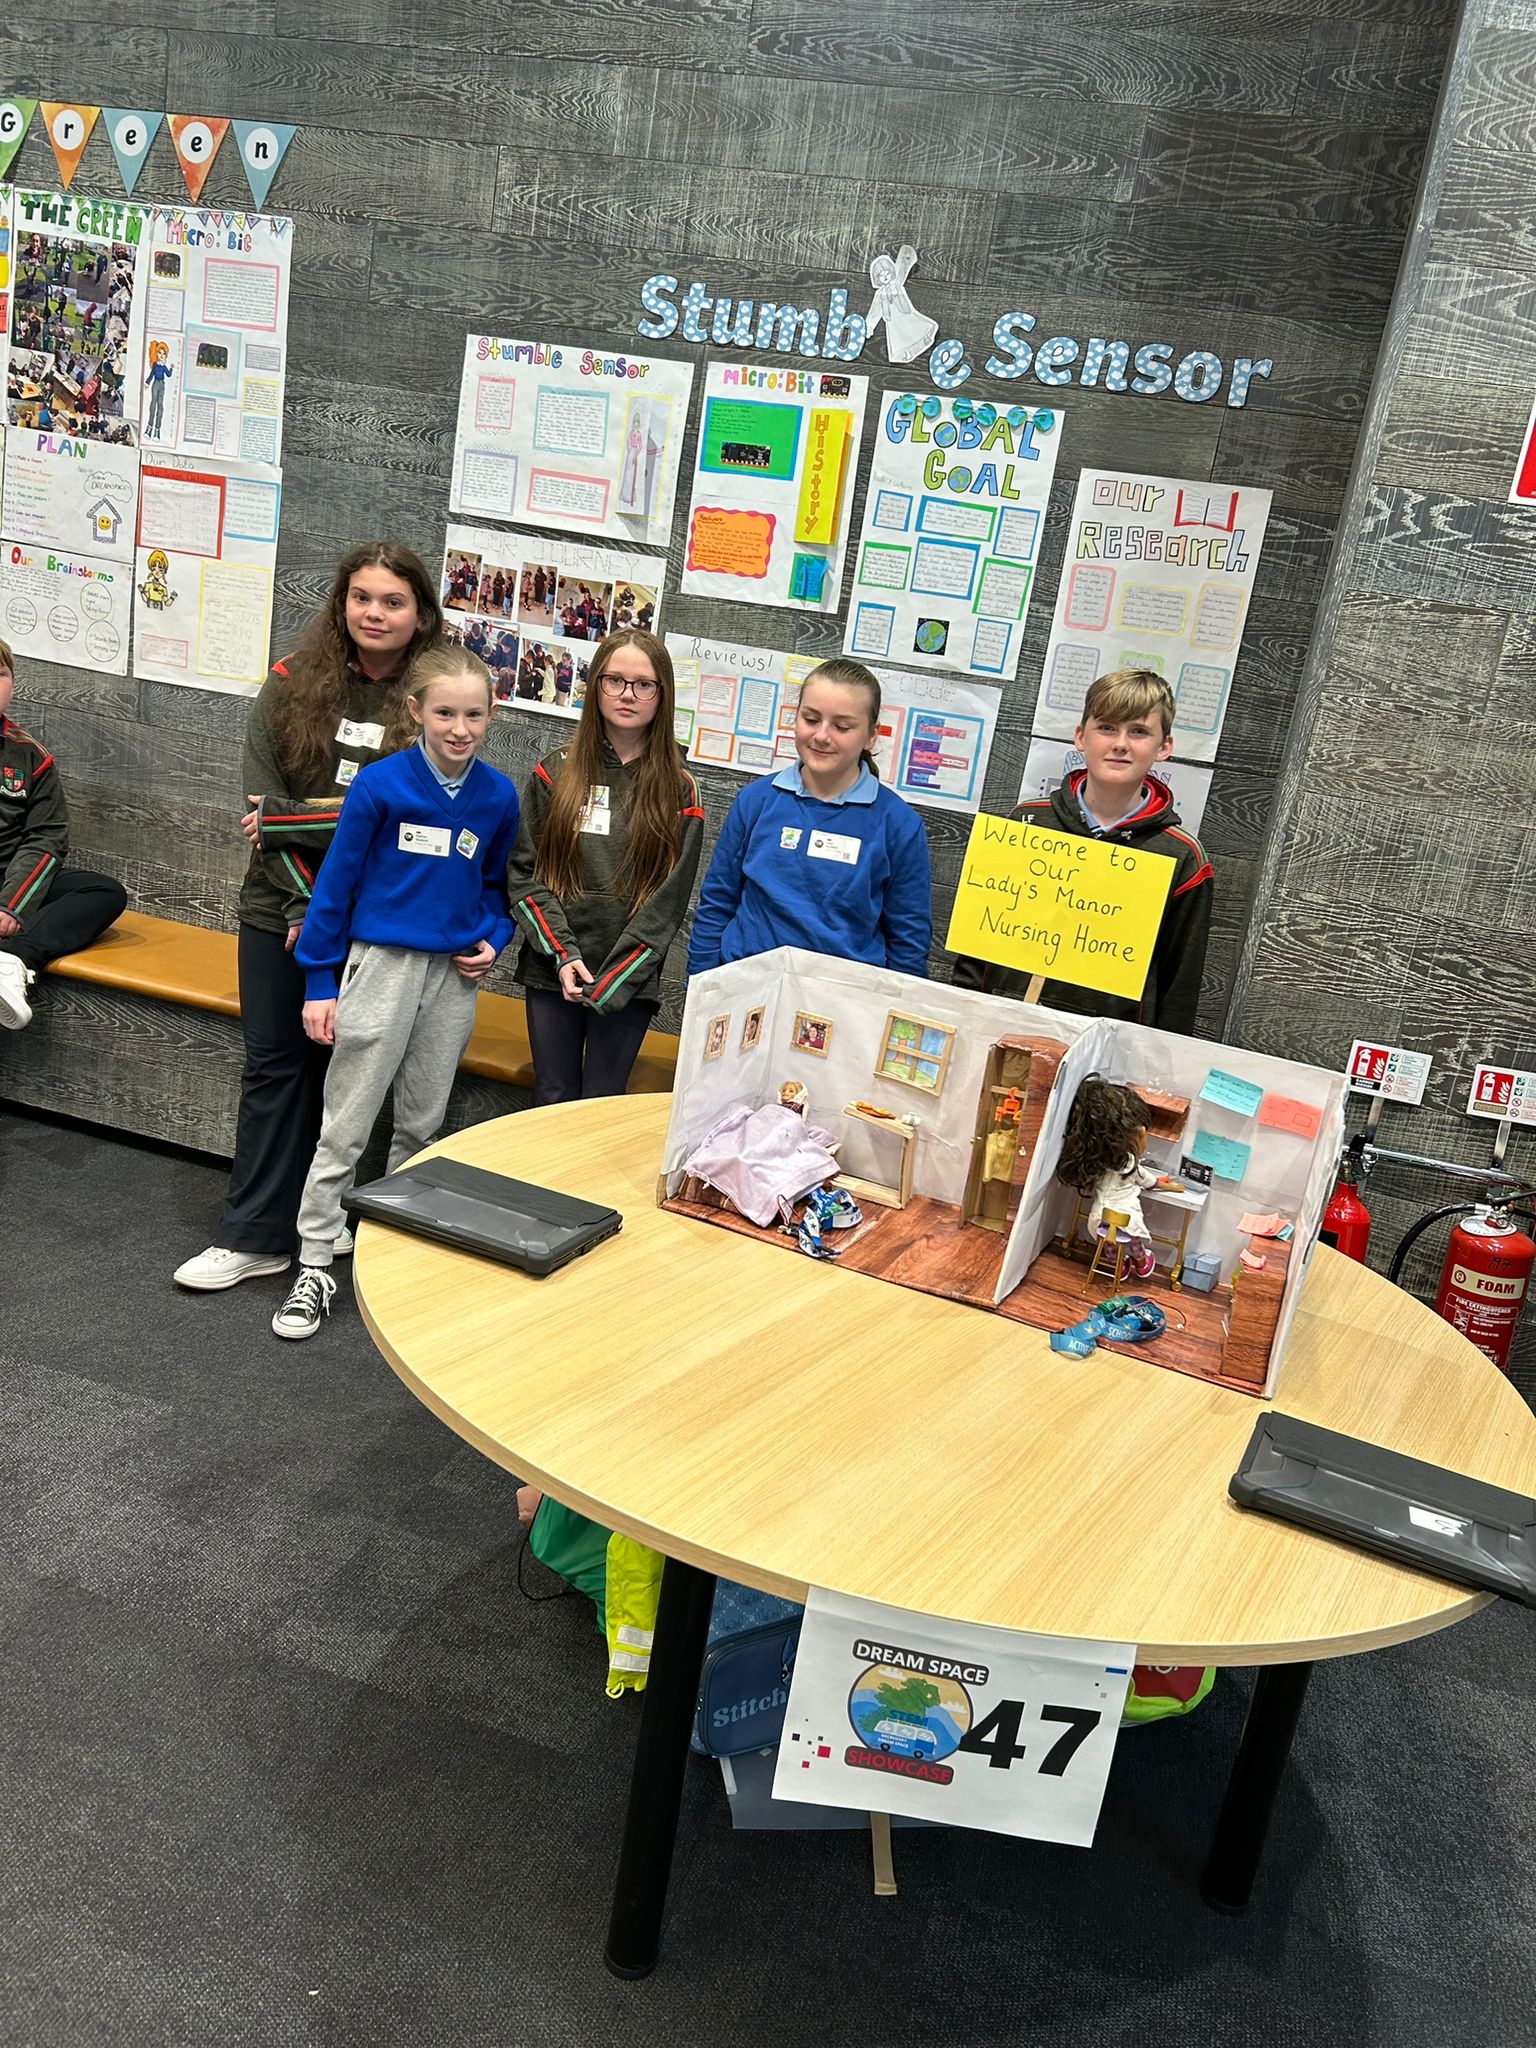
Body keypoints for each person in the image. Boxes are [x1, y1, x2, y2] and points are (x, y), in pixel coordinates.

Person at [173, 542, 443, 1291]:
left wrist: (306, 820)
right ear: (341, 603)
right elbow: (263, 813)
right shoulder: (292, 683)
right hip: (276, 907)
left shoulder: (435, 697)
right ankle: (252, 1234)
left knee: (348, 1077)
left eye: (392, 601)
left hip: (374, 918)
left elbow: (409, 818)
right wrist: (305, 900)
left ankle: (326, 1230)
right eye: (361, 597)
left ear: (420, 612)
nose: (374, 613)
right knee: (273, 1067)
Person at [270, 649, 519, 1340]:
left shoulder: (498, 796)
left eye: (474, 714)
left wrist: (495, 937)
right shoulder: (380, 786)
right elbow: (334, 890)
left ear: (492, 715)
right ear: (416, 713)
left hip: (451, 978)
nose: (459, 728)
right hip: (379, 967)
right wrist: (320, 983)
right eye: (444, 712)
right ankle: (315, 1261)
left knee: (421, 1124)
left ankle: (392, 1254)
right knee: (346, 1125)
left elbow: (497, 889)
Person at [951, 667, 1212, 1033]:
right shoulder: (1026, 823)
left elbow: (1178, 985)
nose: (1120, 743)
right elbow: (979, 944)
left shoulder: (1182, 857)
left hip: (1110, 1043)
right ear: (1080, 737)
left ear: (1164, 746)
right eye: (1107, 728)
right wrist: (964, 1013)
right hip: (1005, 1023)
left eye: (1138, 731)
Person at [506, 629, 703, 1104]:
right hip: (554, 967)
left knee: (601, 1103)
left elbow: (667, 903)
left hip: (630, 977)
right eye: (614, 680)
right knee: (551, 1099)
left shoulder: (679, 790)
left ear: (663, 694)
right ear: (595, 686)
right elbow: (524, 873)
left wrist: (616, 978)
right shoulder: (555, 771)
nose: (628, 695)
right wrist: (563, 955)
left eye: (644, 684)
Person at [687, 657, 932, 978]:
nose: (821, 736)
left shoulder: (898, 825)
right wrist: (700, 986)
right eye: (811, 719)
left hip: (841, 1001)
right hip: (745, 986)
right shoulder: (756, 801)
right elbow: (717, 902)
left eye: (842, 726)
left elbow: (908, 940)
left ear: (871, 736)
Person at [0, 639, 127, 1030]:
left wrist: (11, 906)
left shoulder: (29, 757)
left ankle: (11, 960)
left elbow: (46, 838)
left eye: (1, 674)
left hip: (7, 877)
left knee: (103, 892)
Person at [1054, 1075, 1165, 1280]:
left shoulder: (1100, 1165)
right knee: (1133, 1241)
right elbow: (1150, 1182)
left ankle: (1118, 1267)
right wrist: (1162, 1183)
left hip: (1100, 1219)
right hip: (1126, 1220)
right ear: (1138, 1134)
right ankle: (1141, 1264)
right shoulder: (1131, 1165)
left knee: (1108, 1243)